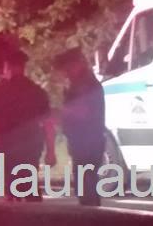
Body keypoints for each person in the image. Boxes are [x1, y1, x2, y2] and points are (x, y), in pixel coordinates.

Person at [0, 49, 55, 202]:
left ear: (8, 67)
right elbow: (48, 123)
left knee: (12, 191)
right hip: (31, 147)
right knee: (30, 185)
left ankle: (16, 210)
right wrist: (51, 151)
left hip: (8, 148)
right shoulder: (37, 91)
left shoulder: (2, 91)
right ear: (23, 67)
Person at [55, 48, 105, 205]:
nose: (66, 73)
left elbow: (83, 112)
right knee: (85, 186)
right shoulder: (81, 84)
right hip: (83, 142)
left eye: (68, 68)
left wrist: (60, 112)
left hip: (87, 143)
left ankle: (91, 215)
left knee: (87, 187)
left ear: (77, 64)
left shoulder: (86, 85)